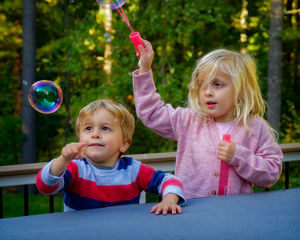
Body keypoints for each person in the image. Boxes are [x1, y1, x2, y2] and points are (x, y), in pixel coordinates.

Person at [132, 40, 283, 199]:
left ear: (240, 89)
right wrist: (145, 69)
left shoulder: (255, 127)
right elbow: (151, 112)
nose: (208, 92)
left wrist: (239, 156)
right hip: (191, 214)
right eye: (202, 85)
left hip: (236, 216)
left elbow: (271, 174)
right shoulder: (188, 120)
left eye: (217, 84)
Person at [36, 99, 185, 215]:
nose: (95, 134)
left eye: (105, 128)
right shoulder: (75, 167)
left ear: (124, 144)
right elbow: (45, 187)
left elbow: (169, 180)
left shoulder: (132, 169)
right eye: (88, 128)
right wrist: (63, 159)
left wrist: (169, 199)